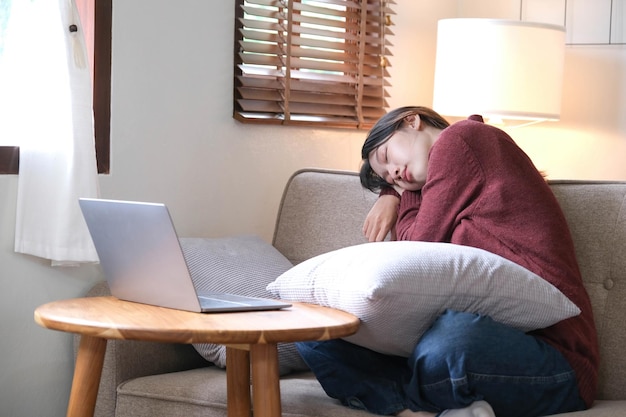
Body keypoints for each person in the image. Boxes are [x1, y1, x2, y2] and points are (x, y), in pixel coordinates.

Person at [295, 107, 598, 417]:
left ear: (412, 120)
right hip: (460, 349)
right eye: (387, 176)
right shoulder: (439, 189)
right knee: (315, 334)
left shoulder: (463, 139)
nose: (395, 172)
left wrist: (399, 194)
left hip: (555, 361)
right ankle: (418, 409)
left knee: (451, 338)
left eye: (387, 156)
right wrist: (394, 191)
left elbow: (414, 249)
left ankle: (400, 400)